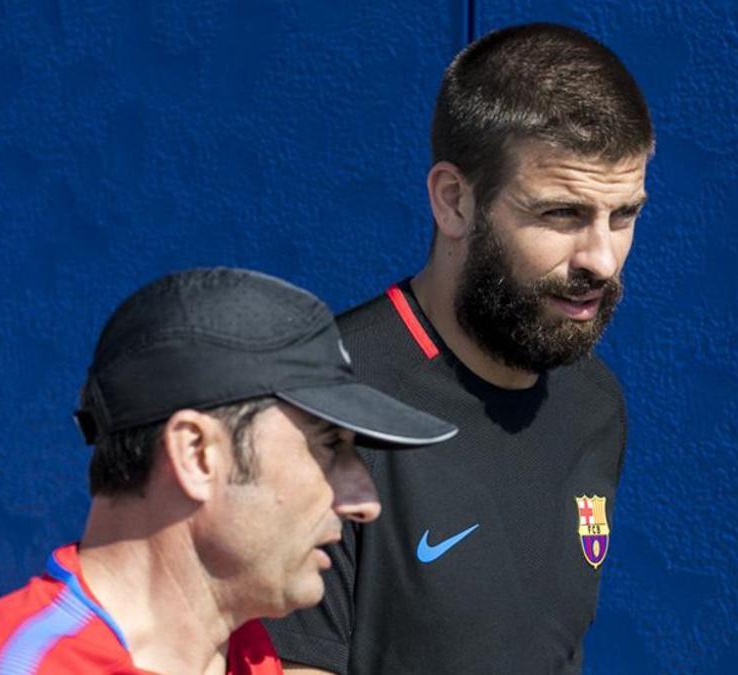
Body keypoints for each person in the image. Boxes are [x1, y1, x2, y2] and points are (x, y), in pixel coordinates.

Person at [265, 22, 654, 674]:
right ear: (454, 202)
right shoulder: (321, 403)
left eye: (624, 215)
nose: (603, 260)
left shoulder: (595, 403)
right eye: (562, 214)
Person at [0, 267, 457, 675]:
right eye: (327, 448)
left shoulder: (247, 659)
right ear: (197, 455)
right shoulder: (20, 666)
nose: (365, 501)